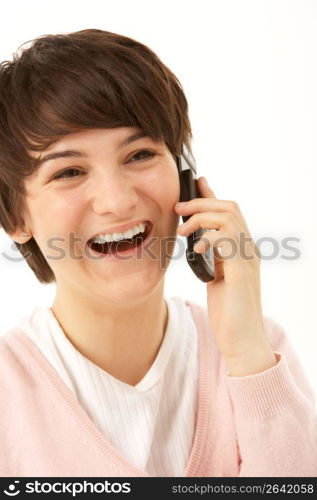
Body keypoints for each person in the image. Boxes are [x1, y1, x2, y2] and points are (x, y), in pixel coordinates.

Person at [0, 28, 316, 478]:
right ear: (16, 217)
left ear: (186, 180)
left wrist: (247, 355)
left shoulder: (260, 353)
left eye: (140, 154)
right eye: (69, 171)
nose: (117, 200)